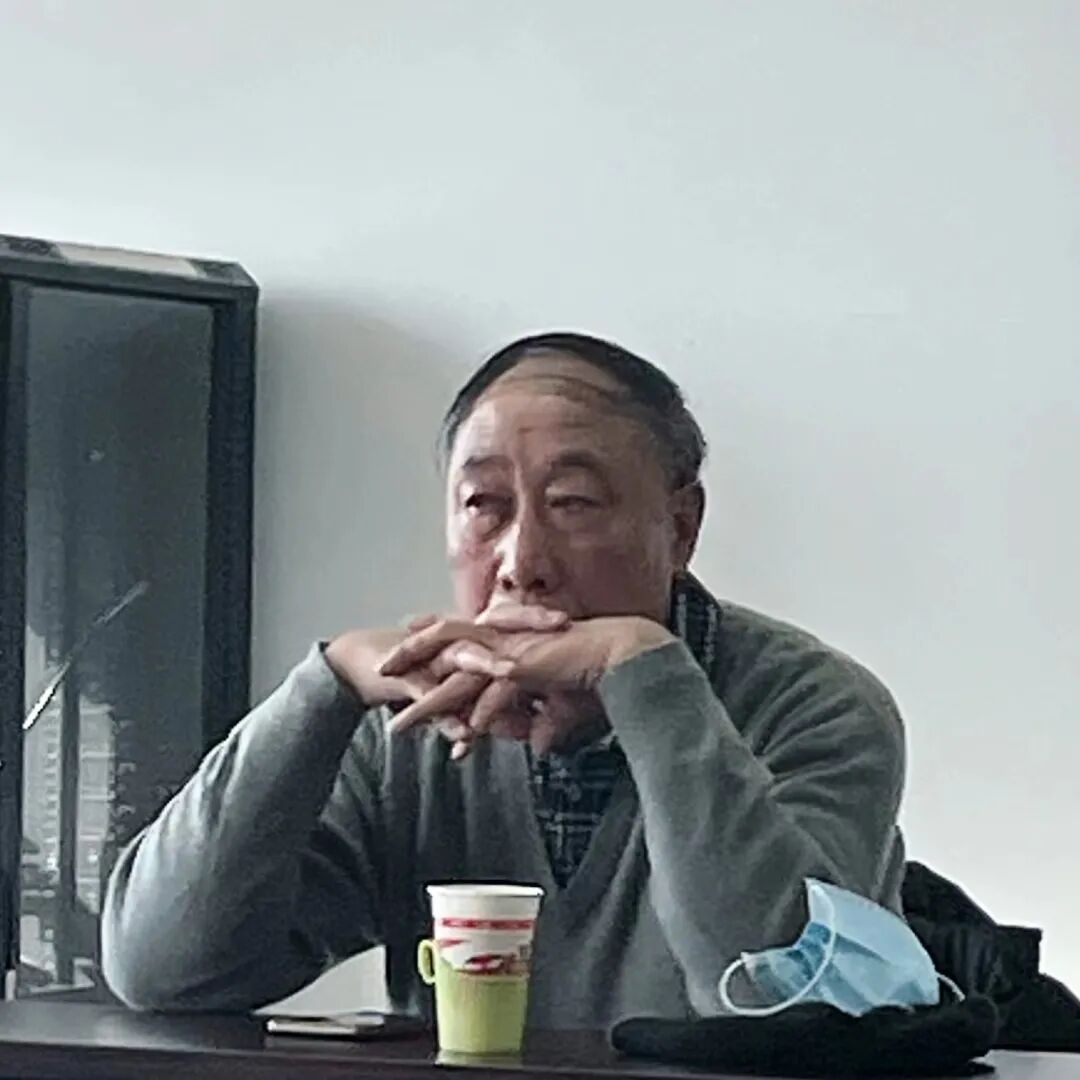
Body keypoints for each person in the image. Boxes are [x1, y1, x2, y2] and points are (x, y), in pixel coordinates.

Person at [101, 332, 906, 1026]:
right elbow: (163, 971)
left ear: (681, 526)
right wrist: (328, 683)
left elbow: (773, 1000)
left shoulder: (815, 707)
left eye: (574, 503)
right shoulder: (407, 728)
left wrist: (642, 675)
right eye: (484, 504)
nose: (522, 563)